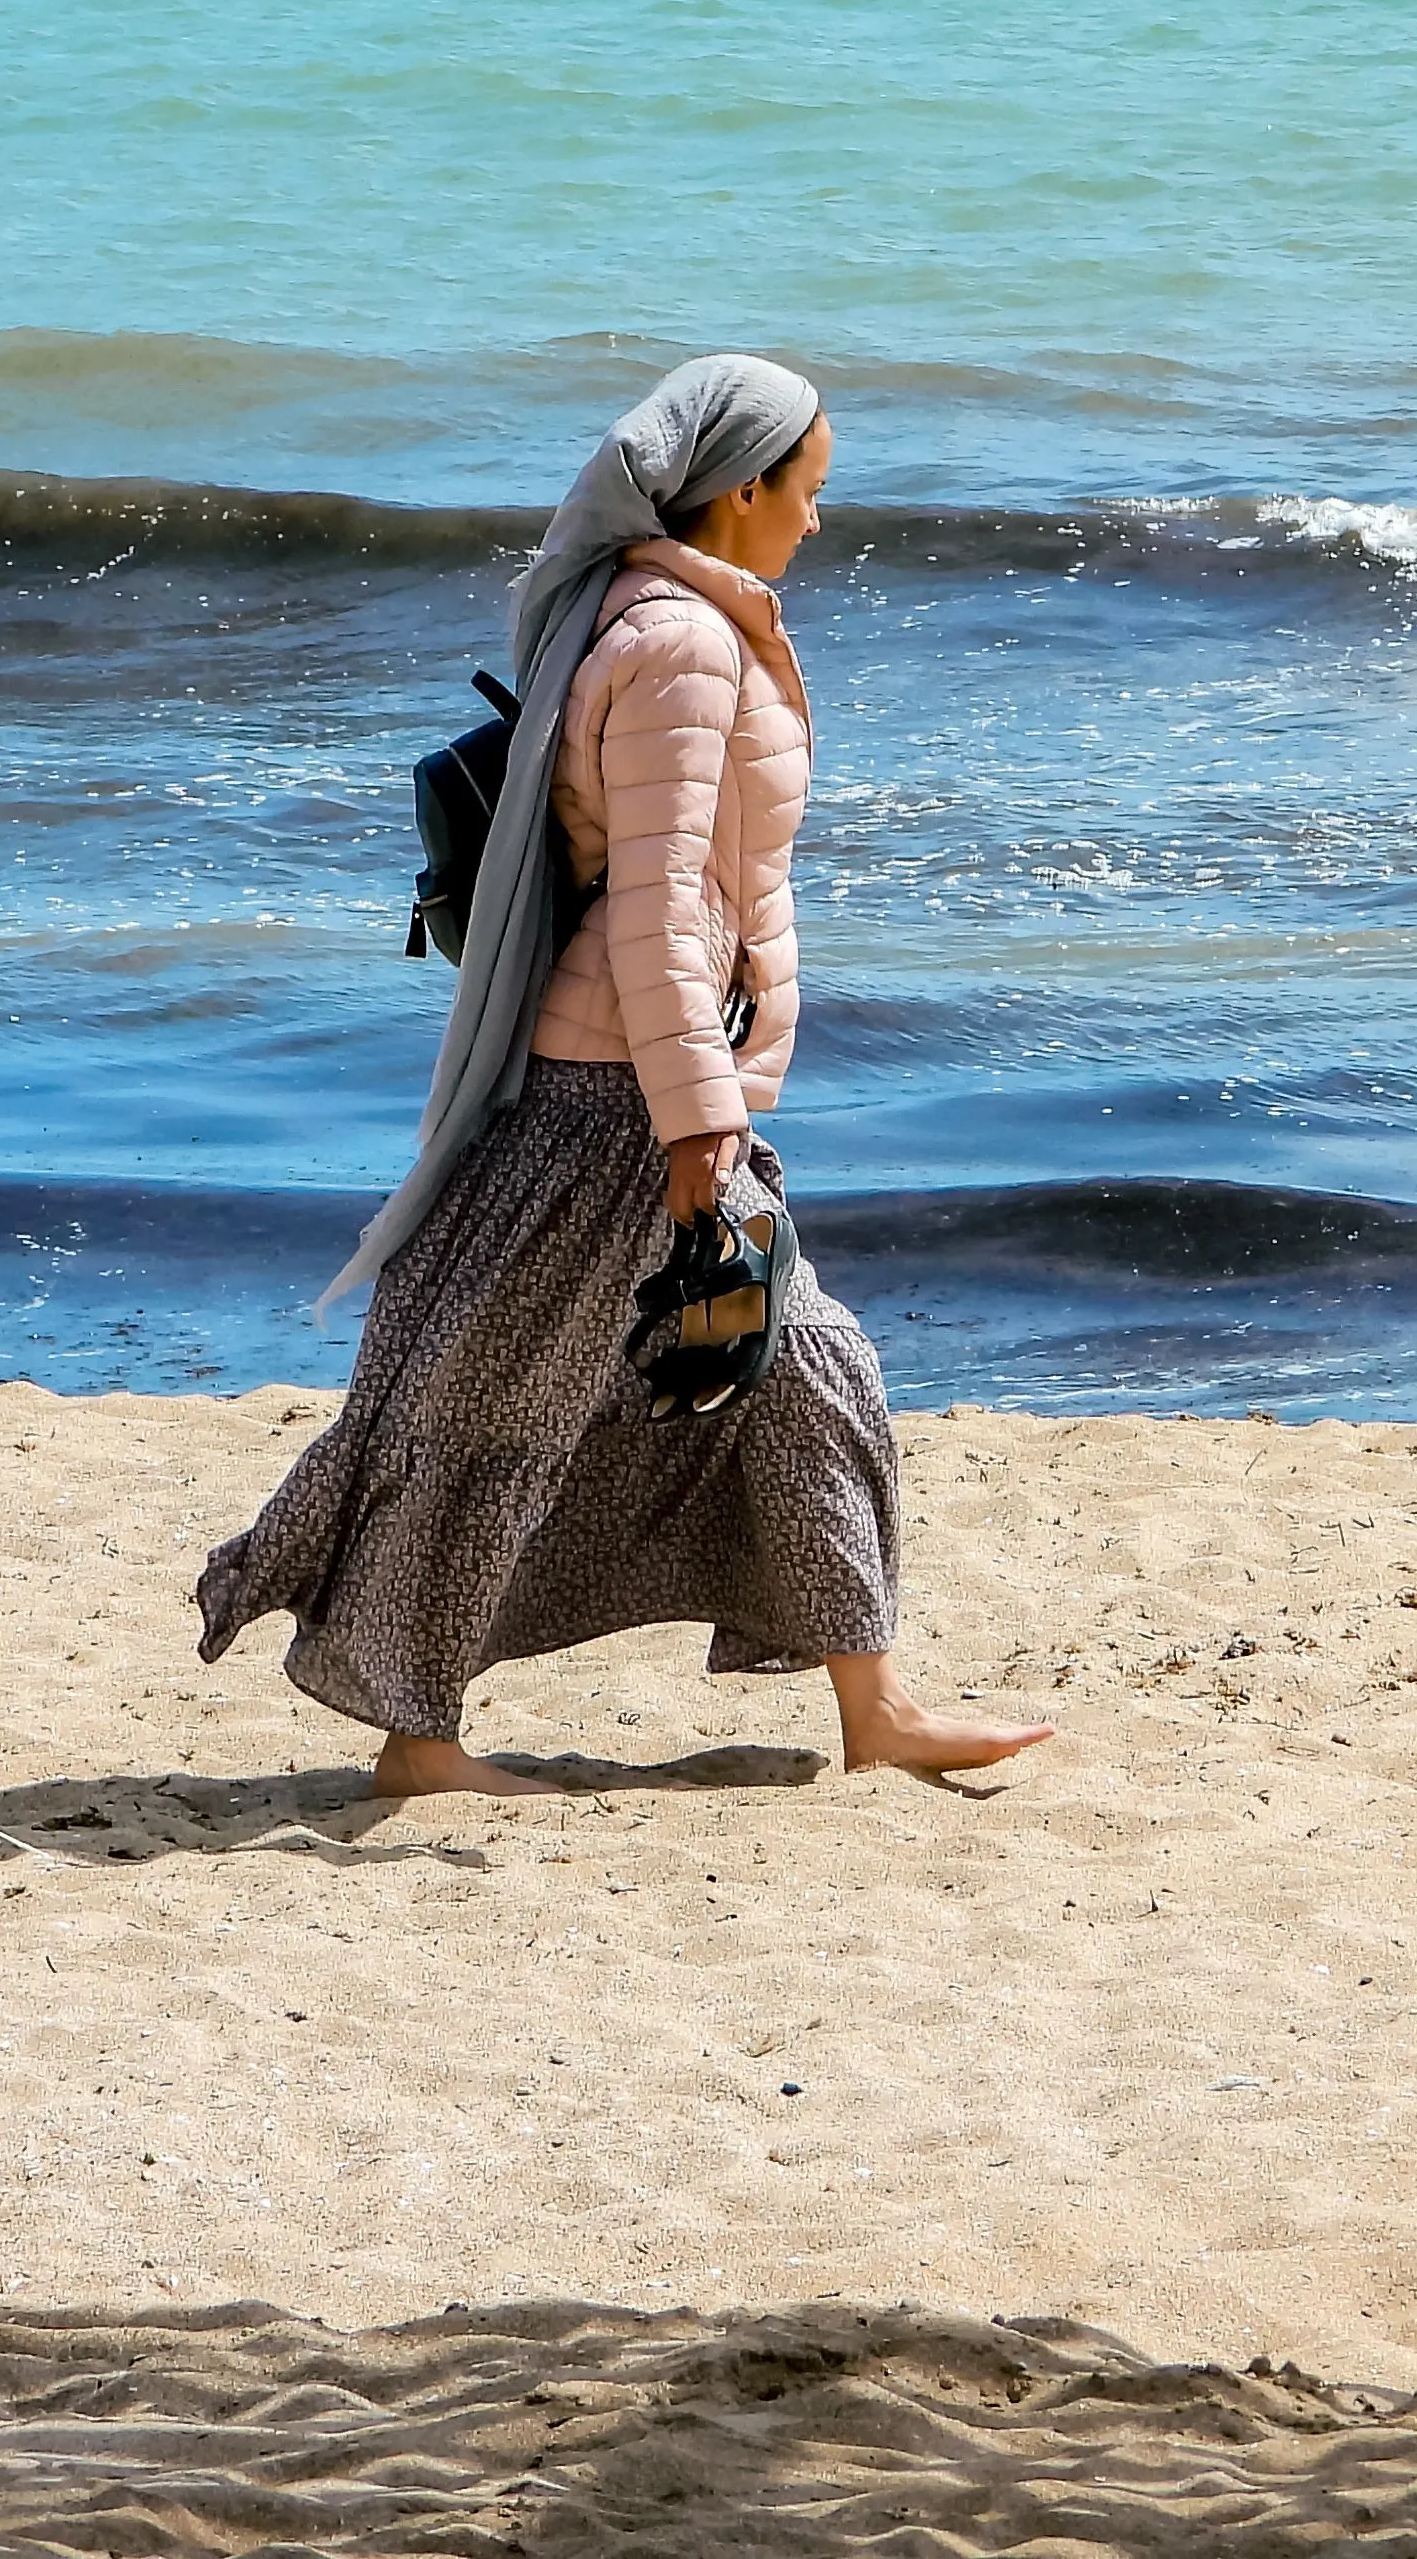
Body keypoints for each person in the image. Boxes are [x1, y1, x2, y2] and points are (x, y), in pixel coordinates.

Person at [194, 354, 1053, 1799]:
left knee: (797, 1373)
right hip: (626, 1090)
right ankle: (421, 1741)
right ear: (738, 490)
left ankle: (876, 1703)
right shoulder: (682, 649)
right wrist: (698, 1121)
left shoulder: (653, 618)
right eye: (810, 492)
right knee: (496, 1405)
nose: (819, 524)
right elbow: (657, 903)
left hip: (651, 1075)